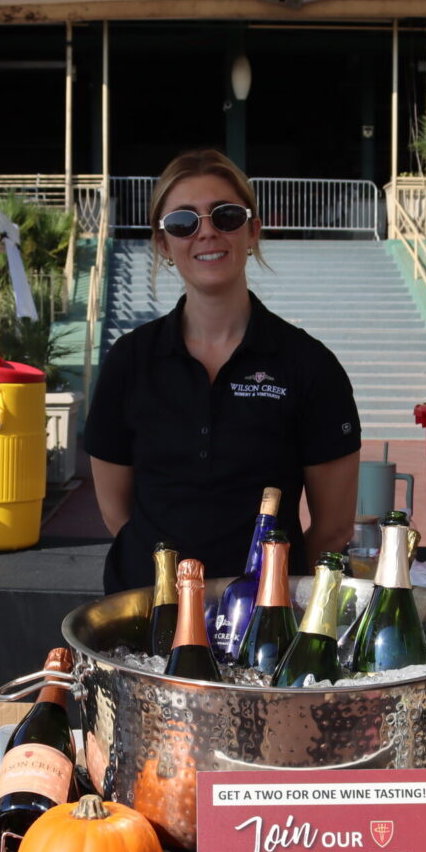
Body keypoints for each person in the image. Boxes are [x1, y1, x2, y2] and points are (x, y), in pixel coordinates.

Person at [84, 149, 361, 595]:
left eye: (225, 216)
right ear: (164, 243)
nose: (207, 231)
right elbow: (117, 513)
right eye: (183, 222)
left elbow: (332, 529)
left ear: (252, 231)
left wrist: (267, 596)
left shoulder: (309, 365)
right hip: (143, 617)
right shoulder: (129, 361)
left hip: (261, 630)